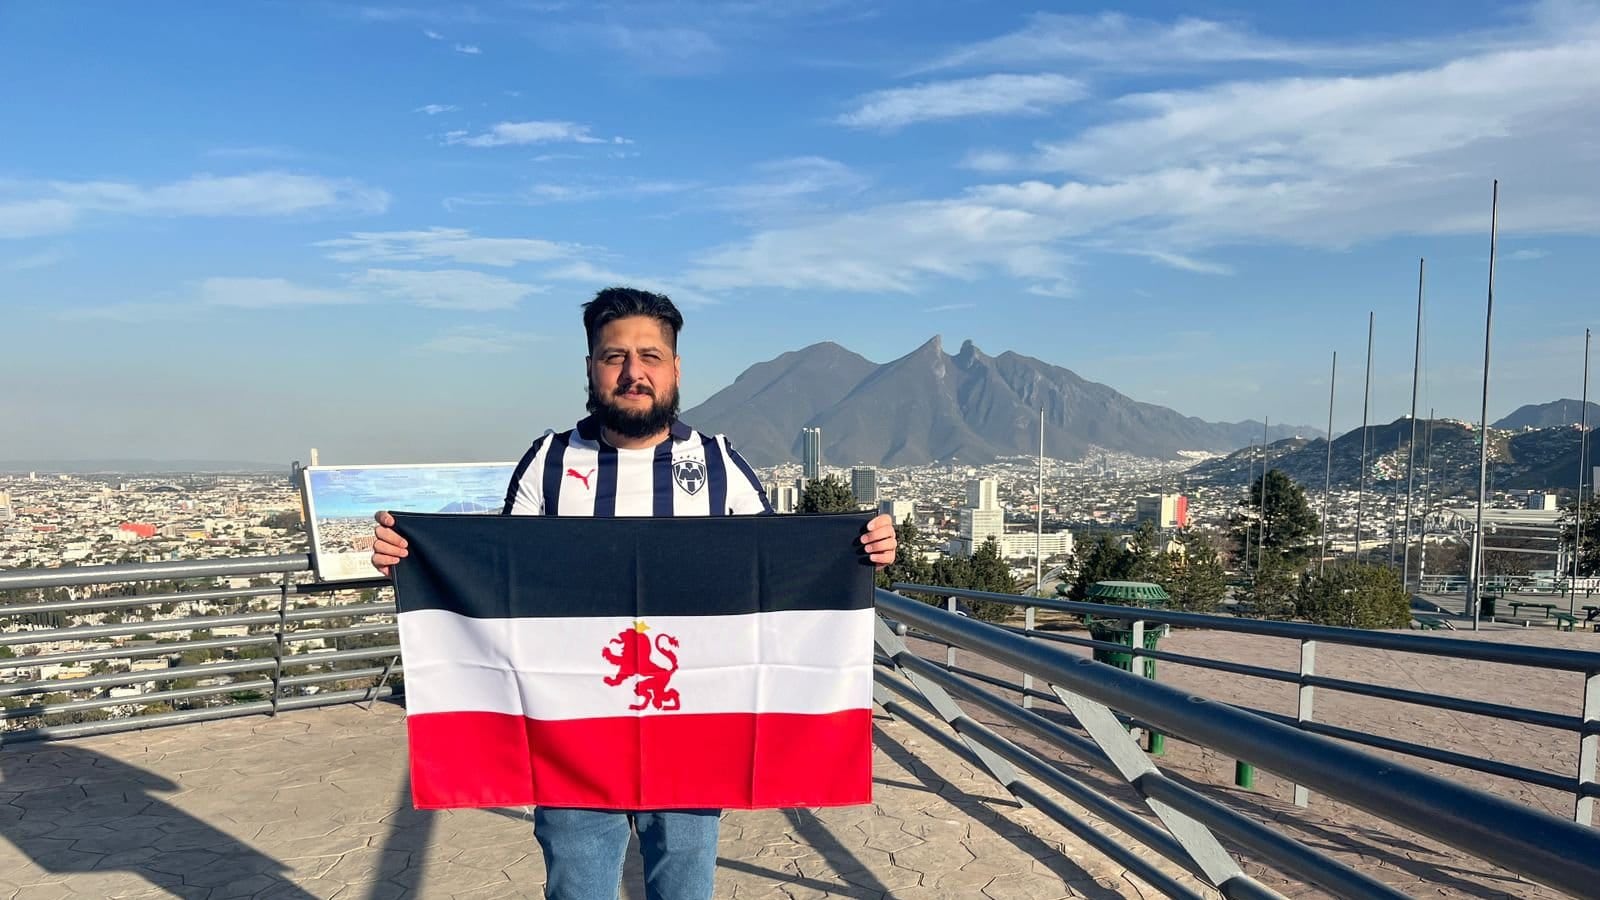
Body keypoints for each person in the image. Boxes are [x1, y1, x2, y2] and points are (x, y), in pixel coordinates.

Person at [370, 286, 897, 900]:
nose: (632, 373)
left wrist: (860, 549)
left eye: (650, 356)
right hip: (569, 730)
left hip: (691, 733)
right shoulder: (548, 461)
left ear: (674, 369)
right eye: (614, 356)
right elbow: (496, 582)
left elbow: (777, 567)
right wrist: (410, 558)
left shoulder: (720, 463)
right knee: (579, 886)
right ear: (591, 368)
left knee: (684, 885)